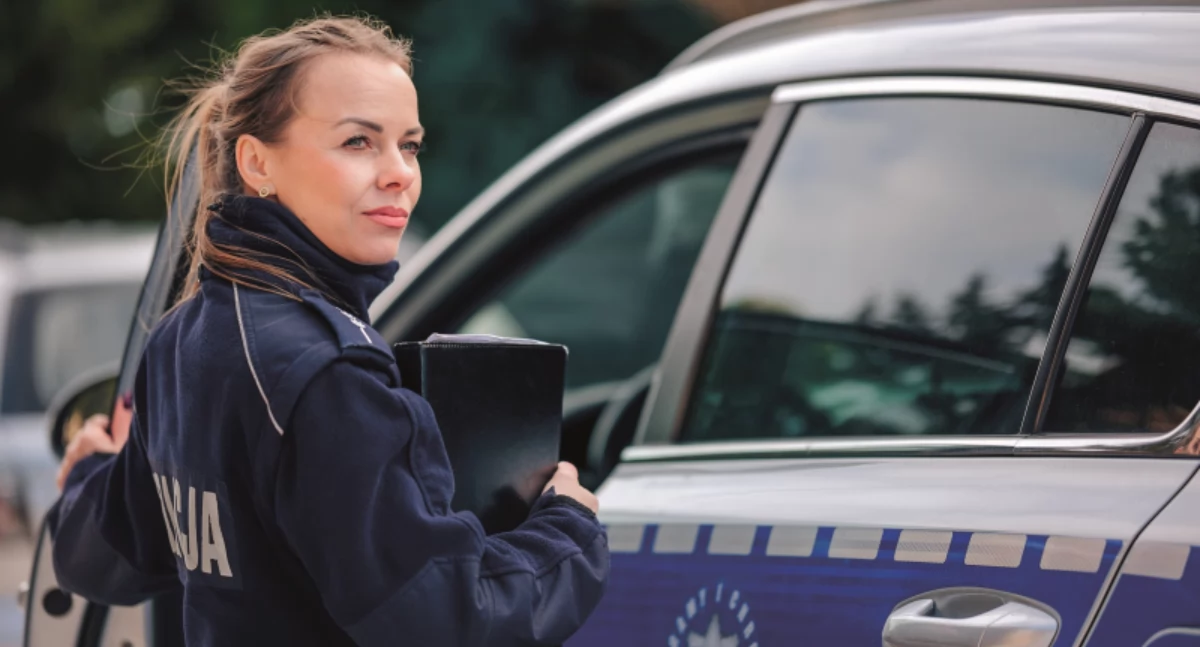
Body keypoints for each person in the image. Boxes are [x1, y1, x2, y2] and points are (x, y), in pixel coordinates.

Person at [48, 15, 609, 647]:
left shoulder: (182, 340)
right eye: (358, 143)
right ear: (257, 162)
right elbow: (448, 621)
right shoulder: (328, 373)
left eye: (410, 144)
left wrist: (85, 481)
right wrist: (567, 530)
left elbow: (112, 555)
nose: (400, 172)